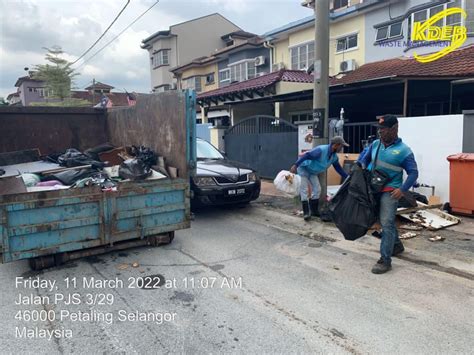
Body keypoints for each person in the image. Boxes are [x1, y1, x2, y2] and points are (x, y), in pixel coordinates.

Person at [358, 115, 418, 274]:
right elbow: (362, 160)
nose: (380, 132)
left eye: (383, 129)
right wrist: (359, 168)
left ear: (394, 129)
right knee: (384, 221)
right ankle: (396, 245)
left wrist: (403, 189)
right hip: (374, 189)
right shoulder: (375, 145)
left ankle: (385, 260)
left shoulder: (404, 151)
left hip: (391, 191)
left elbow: (413, 173)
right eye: (379, 129)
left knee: (386, 223)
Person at [290, 136, 349, 221]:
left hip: (313, 171)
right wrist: (296, 165)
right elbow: (307, 155)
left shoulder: (334, 156)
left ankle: (314, 211)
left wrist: (347, 178)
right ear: (335, 145)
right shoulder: (321, 151)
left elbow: (338, 168)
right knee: (304, 189)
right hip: (304, 168)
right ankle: (306, 212)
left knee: (317, 189)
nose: (342, 148)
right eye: (341, 146)